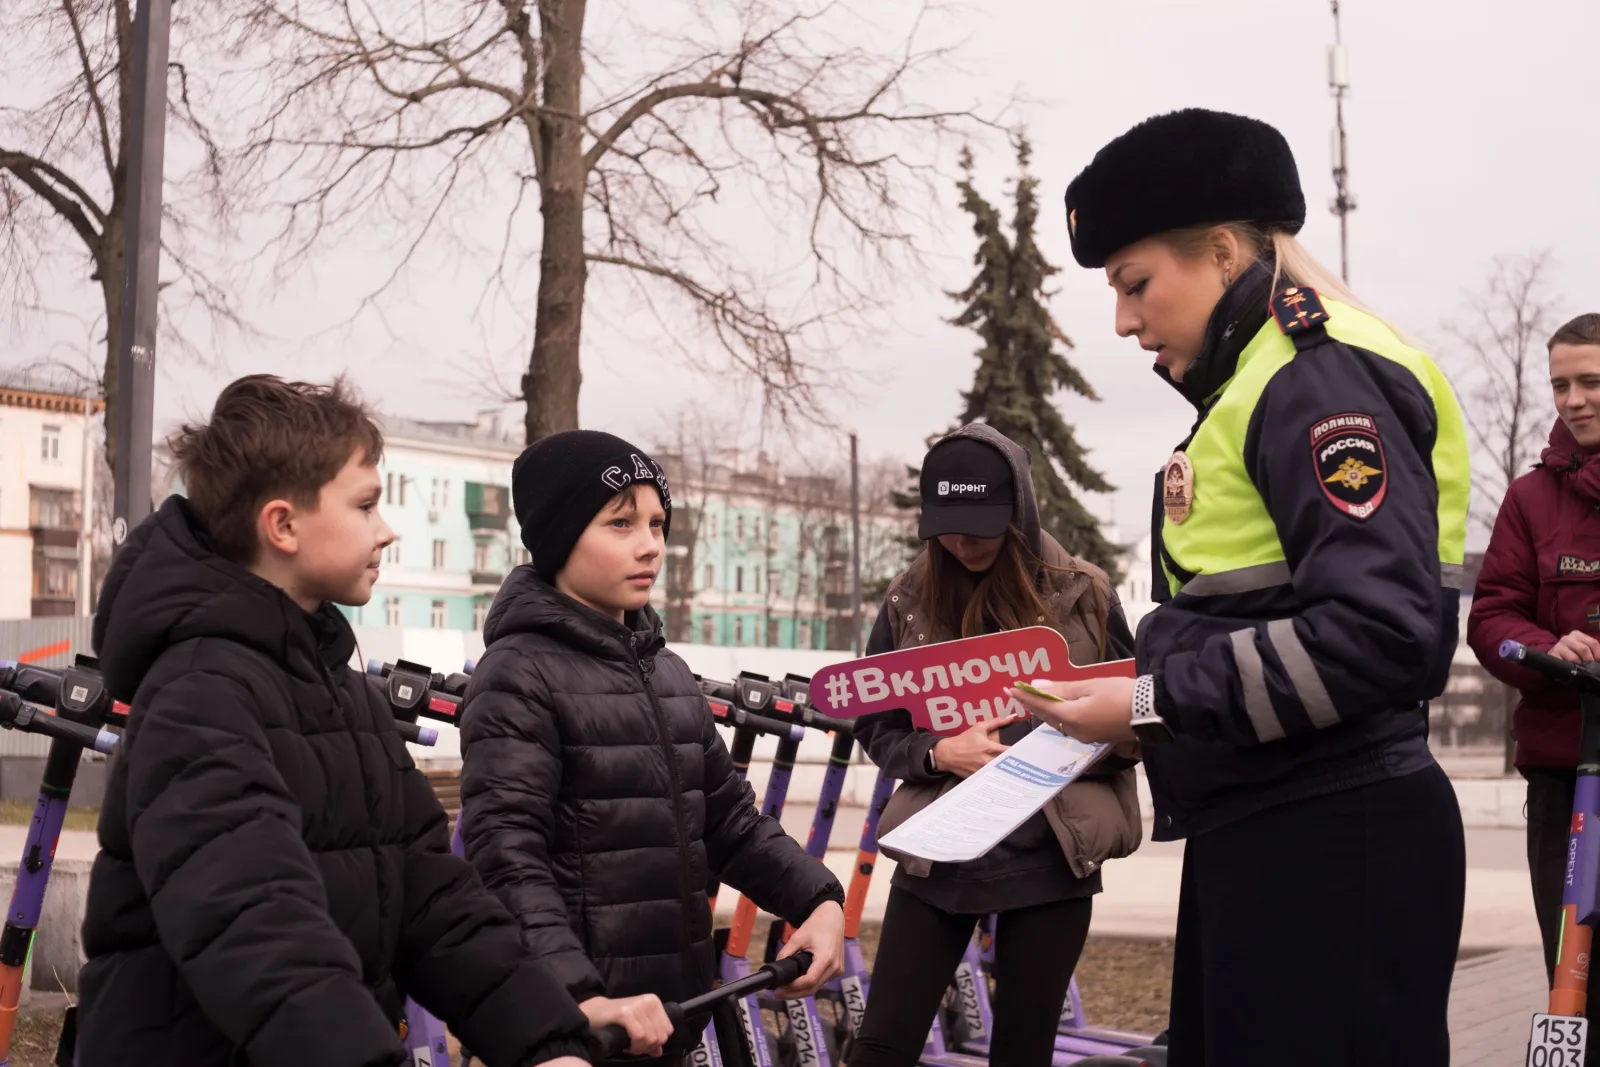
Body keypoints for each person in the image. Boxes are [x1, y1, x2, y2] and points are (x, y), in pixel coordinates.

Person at [1012, 109, 1471, 1067]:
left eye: (1135, 284)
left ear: (1222, 252)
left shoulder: (1316, 377)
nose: (1124, 320)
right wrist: (1129, 694)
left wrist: (1142, 702)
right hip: (1280, 830)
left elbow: (1382, 633)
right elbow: (1255, 614)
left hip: (1332, 842)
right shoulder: (1260, 381)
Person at [77, 376, 596, 1067]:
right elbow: (261, 928)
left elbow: (431, 900)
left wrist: (549, 1040)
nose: (387, 528)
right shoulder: (198, 696)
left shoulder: (337, 689)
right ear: (284, 524)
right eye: (366, 504)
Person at [457, 429, 847, 1066]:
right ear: (558, 536)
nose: (650, 546)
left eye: (658, 523)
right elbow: (506, 856)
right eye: (620, 523)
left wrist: (818, 899)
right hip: (582, 1033)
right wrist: (574, 997)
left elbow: (732, 826)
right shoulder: (517, 673)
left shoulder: (668, 675)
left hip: (670, 1020)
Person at [848, 424, 1143, 1067]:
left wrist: (1081, 736)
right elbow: (878, 725)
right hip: (940, 851)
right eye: (947, 525)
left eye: (981, 523)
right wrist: (937, 753)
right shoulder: (909, 598)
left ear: (1020, 511)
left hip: (1051, 851)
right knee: (881, 1045)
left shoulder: (1085, 593)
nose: (962, 541)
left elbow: (1137, 722)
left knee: (1022, 1049)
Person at [1468, 313, 1600, 987]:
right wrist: (1550, 648)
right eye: (1560, 385)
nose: (1573, 399)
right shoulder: (1531, 497)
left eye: (1590, 382)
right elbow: (1492, 615)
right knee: (1574, 979)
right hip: (1563, 781)